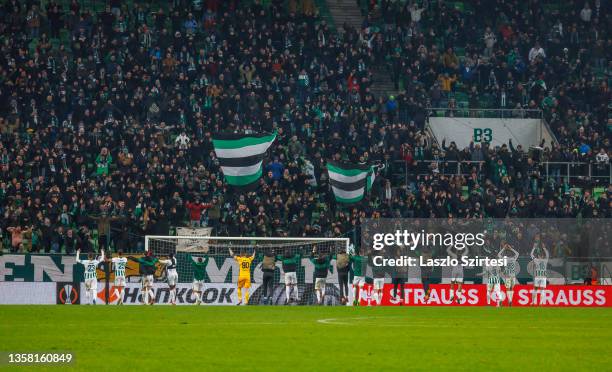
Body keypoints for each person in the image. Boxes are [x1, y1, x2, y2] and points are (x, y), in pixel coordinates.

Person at [498, 241, 519, 306]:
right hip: (513, 276)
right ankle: (510, 301)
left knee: (508, 288)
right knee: (511, 288)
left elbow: (499, 255)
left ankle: (509, 301)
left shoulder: (505, 259)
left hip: (507, 276)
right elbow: (517, 253)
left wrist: (503, 248)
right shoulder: (513, 258)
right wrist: (511, 248)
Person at [530, 240, 549, 306]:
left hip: (538, 277)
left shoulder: (537, 260)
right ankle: (540, 302)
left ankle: (532, 302)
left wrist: (534, 248)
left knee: (535, 289)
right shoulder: (545, 260)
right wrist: (544, 248)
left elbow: (531, 255)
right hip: (543, 277)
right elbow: (547, 255)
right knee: (542, 290)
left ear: (539, 256)